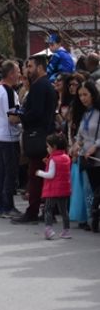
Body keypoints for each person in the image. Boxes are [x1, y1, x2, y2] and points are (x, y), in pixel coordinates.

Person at [12, 55, 57, 224]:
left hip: (39, 137)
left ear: (39, 67)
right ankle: (47, 212)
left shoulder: (39, 86)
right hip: (45, 135)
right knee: (44, 176)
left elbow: (37, 112)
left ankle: (33, 212)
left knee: (36, 175)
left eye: (30, 67)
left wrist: (21, 117)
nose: (27, 70)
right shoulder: (45, 85)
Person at [0, 60, 23, 219]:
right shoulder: (9, 92)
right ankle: (7, 206)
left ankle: (0, 204)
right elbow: (12, 117)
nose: (19, 75)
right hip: (8, 136)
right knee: (10, 172)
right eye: (17, 72)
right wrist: (25, 120)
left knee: (2, 171)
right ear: (10, 74)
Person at [70, 80, 100, 232]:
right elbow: (80, 136)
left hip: (96, 156)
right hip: (86, 159)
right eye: (80, 95)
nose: (82, 98)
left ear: (93, 94)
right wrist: (76, 145)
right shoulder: (84, 114)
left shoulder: (98, 112)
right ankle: (92, 218)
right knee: (90, 190)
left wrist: (95, 146)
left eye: (85, 95)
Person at [36, 133, 72, 240]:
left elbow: (51, 175)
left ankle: (49, 230)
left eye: (48, 146)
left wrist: (40, 173)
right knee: (64, 211)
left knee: (48, 209)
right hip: (64, 189)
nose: (47, 149)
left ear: (54, 147)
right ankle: (66, 230)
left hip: (53, 190)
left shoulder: (53, 159)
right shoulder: (66, 157)